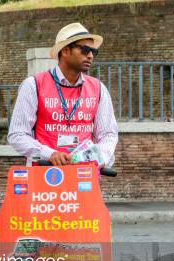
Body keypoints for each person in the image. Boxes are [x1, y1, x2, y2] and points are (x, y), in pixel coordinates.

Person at [8, 23, 118, 167]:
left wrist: (101, 157)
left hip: (84, 176)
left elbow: (109, 134)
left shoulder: (98, 89)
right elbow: (17, 135)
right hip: (44, 176)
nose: (90, 56)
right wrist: (50, 154)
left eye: (93, 51)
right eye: (85, 50)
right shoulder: (34, 85)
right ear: (65, 51)